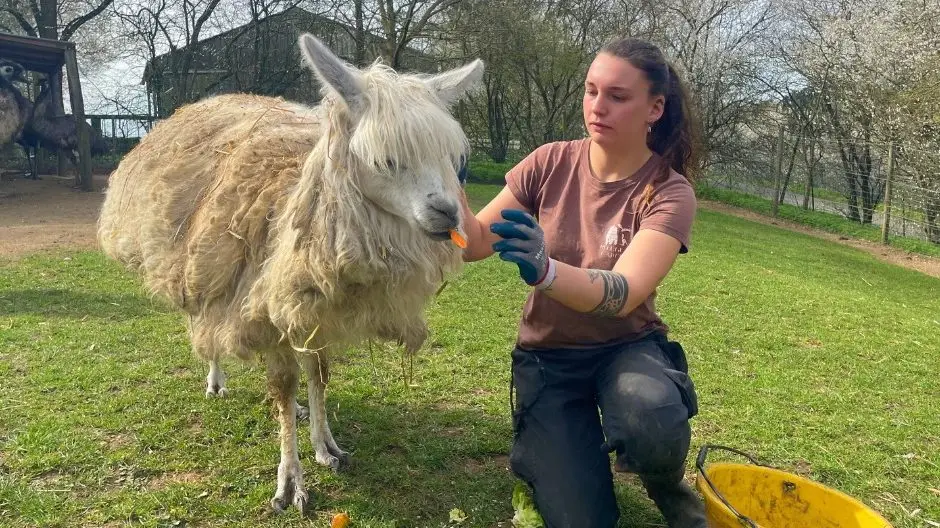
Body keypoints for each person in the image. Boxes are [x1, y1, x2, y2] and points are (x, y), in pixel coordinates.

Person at [455, 37, 707, 528]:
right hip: (549, 357)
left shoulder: (669, 191)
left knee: (651, 419)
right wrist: (450, 185)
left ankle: (666, 483)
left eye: (617, 95)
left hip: (627, 347)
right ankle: (548, 453)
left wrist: (546, 269)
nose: (598, 106)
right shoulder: (550, 162)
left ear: (654, 108)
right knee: (581, 519)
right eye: (591, 91)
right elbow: (475, 244)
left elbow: (623, 293)